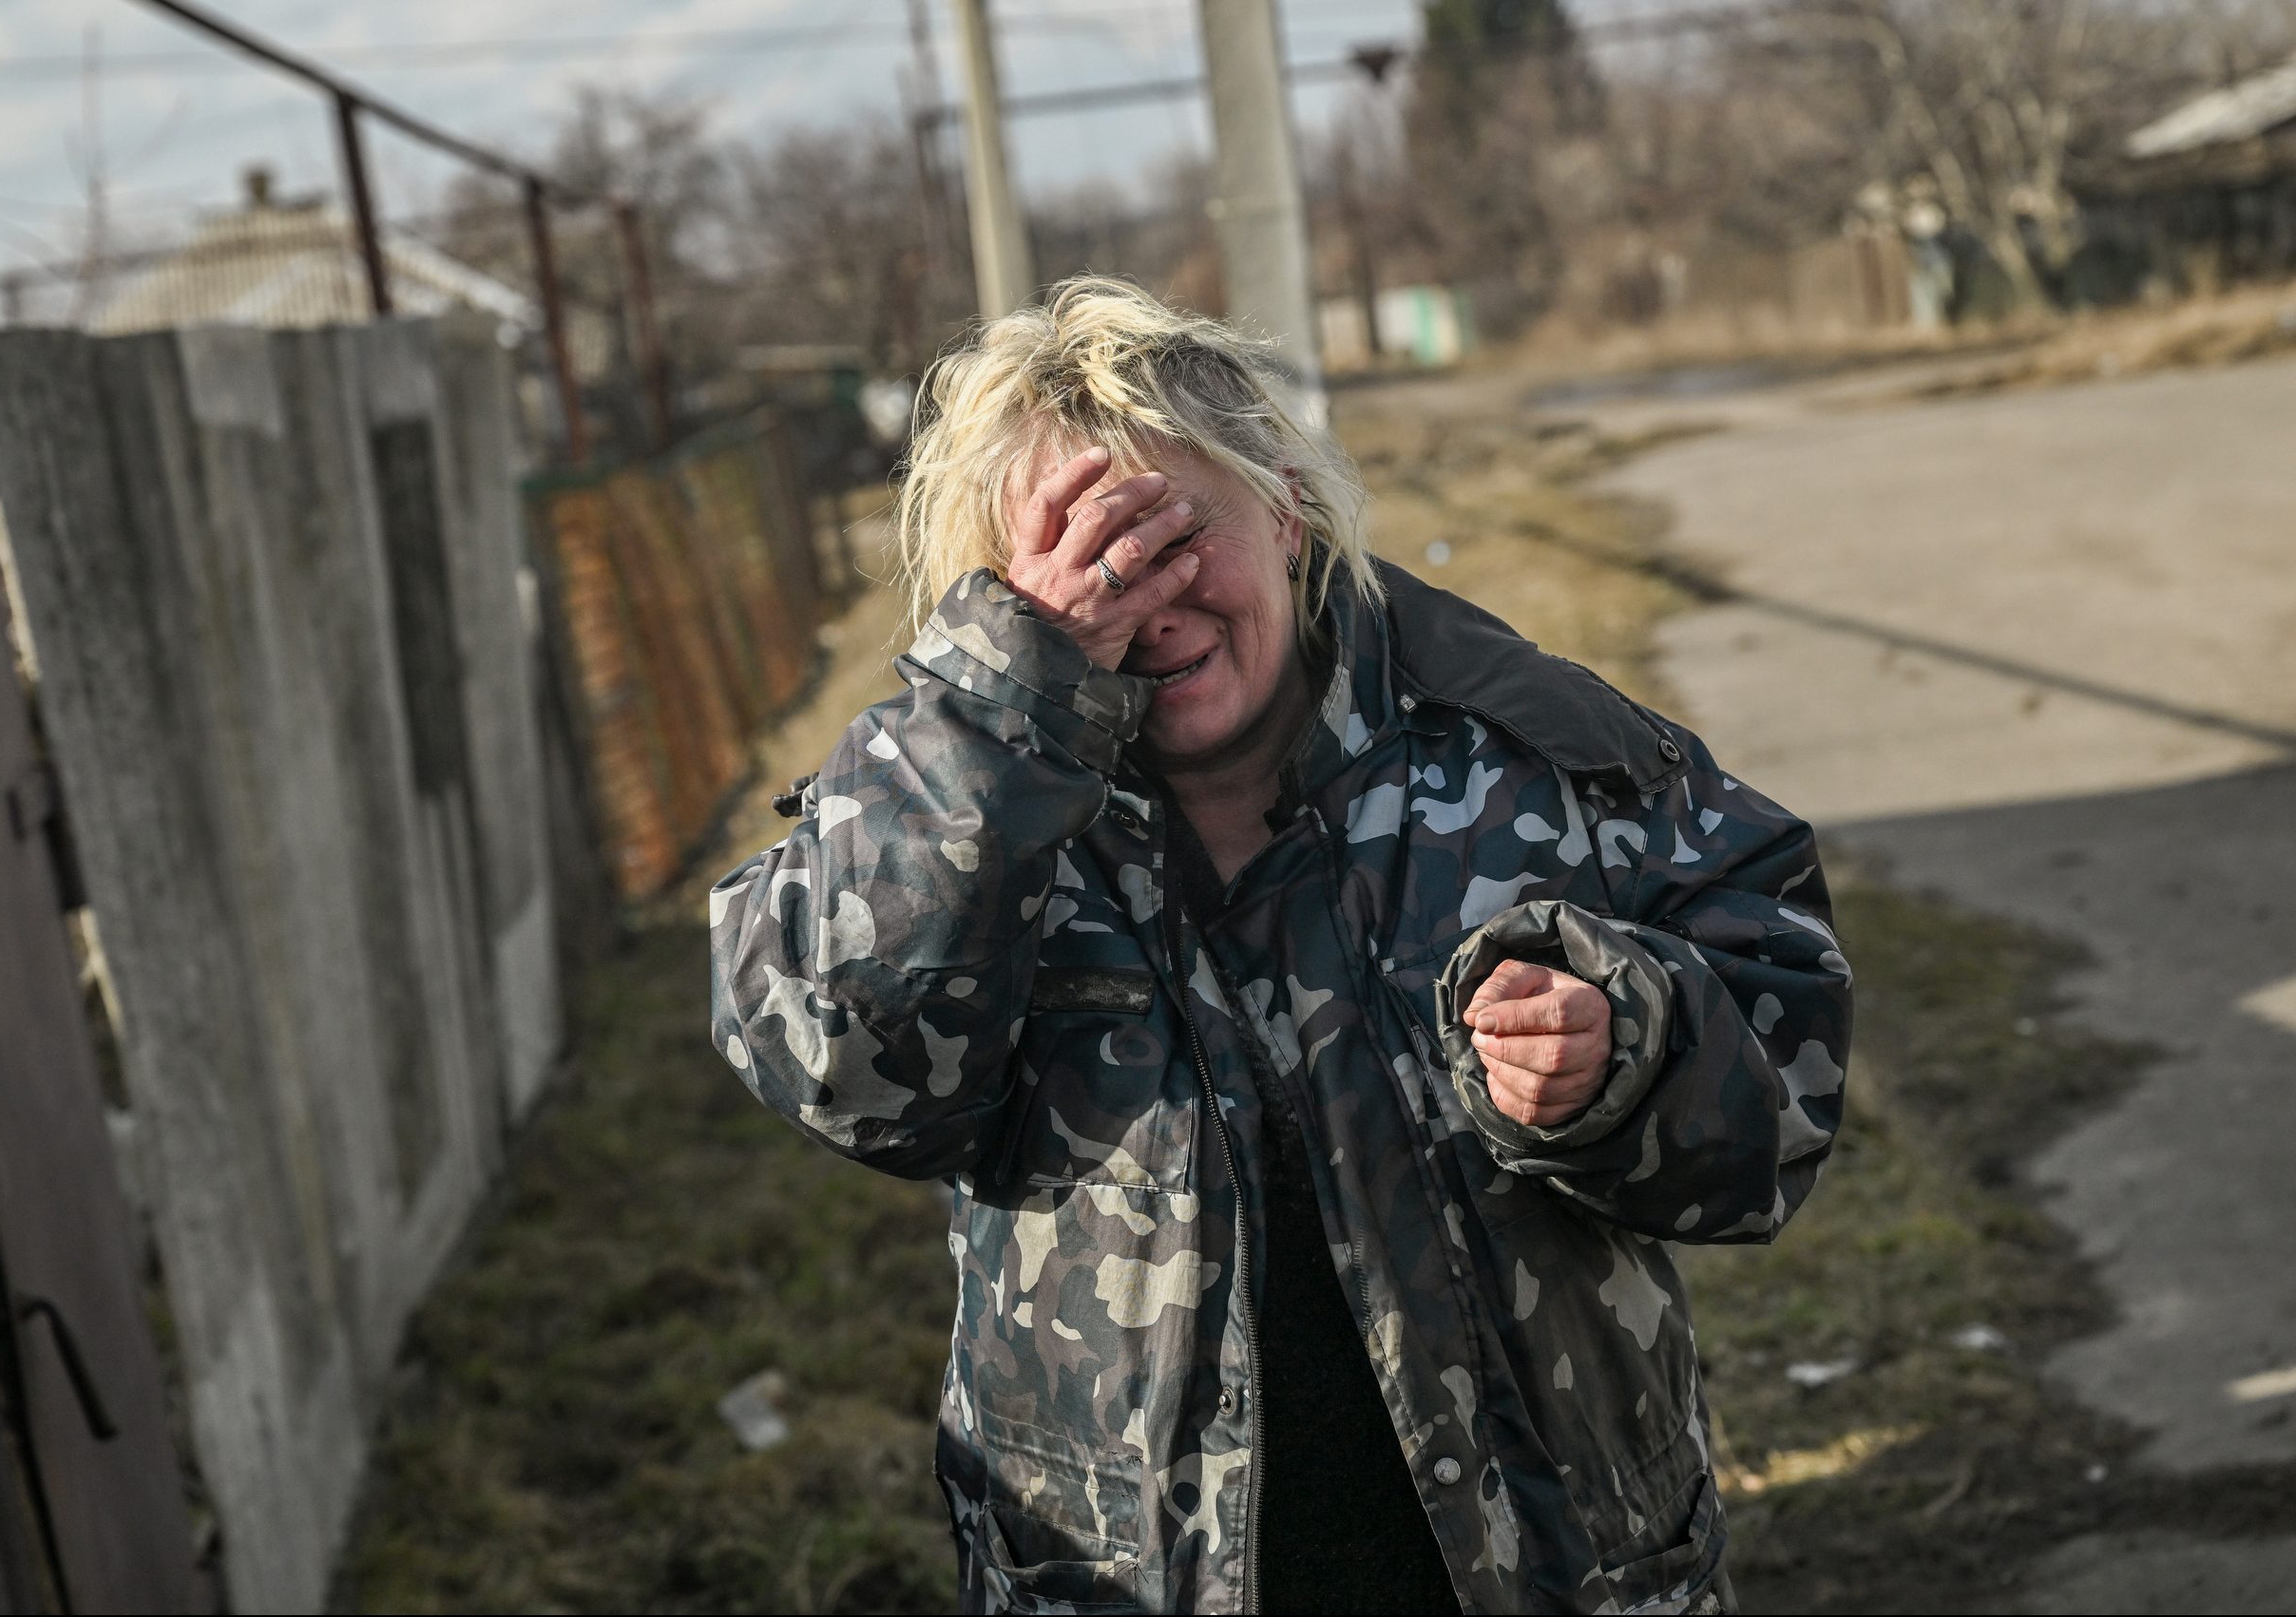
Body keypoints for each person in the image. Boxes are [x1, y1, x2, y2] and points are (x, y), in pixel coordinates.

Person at [709, 277, 1850, 1615]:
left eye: (1173, 535)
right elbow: (841, 1070)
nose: (1143, 603)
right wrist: (1012, 700)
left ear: (1288, 510)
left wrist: (1626, 1053)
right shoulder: (950, 801)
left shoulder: (1522, 754)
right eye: (1083, 560)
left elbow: (1784, 1060)